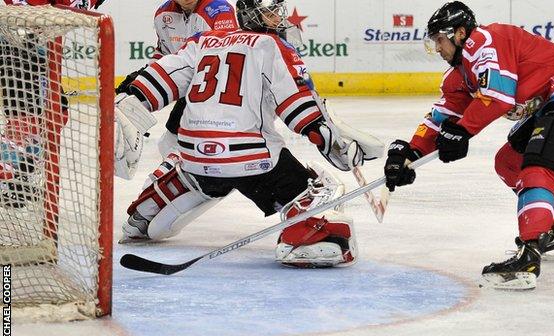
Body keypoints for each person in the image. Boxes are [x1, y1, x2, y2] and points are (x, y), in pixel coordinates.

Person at [116, 0, 384, 268]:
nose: (277, 18)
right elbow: (297, 105)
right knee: (323, 187)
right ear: (250, 15)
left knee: (194, 168)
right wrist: (329, 140)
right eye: (269, 13)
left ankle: (147, 212)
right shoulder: (272, 46)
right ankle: (306, 236)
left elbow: (158, 81)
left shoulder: (200, 41)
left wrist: (125, 104)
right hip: (253, 162)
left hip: (196, 158)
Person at [384, 1, 554, 289]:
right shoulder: (460, 72)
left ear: (460, 33)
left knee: (536, 169)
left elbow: (498, 97)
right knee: (509, 162)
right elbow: (443, 115)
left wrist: (462, 131)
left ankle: (529, 256)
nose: (438, 49)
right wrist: (412, 151)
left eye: (440, 40)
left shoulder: (484, 41)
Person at [0, 0, 106, 207]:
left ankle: (18, 178)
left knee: (54, 115)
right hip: (20, 52)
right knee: (37, 120)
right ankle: (12, 179)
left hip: (31, 53)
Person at [115, 0, 239, 160]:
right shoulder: (163, 15)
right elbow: (164, 54)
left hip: (216, 93)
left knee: (178, 146)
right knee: (168, 144)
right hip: (190, 90)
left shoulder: (218, 9)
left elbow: (229, 59)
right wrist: (145, 74)